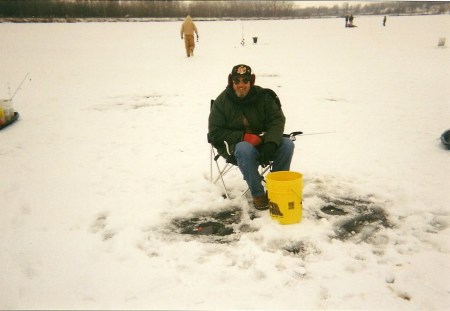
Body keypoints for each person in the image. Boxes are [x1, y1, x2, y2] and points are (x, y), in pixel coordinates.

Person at [208, 64, 295, 210]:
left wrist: (271, 142)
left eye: (245, 80)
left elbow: (277, 120)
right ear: (231, 81)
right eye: (237, 81)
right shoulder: (221, 102)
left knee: (287, 145)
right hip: (234, 148)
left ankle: (277, 189)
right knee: (244, 148)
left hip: (263, 142)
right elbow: (214, 133)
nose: (241, 85)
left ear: (251, 81)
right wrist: (243, 136)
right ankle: (258, 194)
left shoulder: (265, 96)